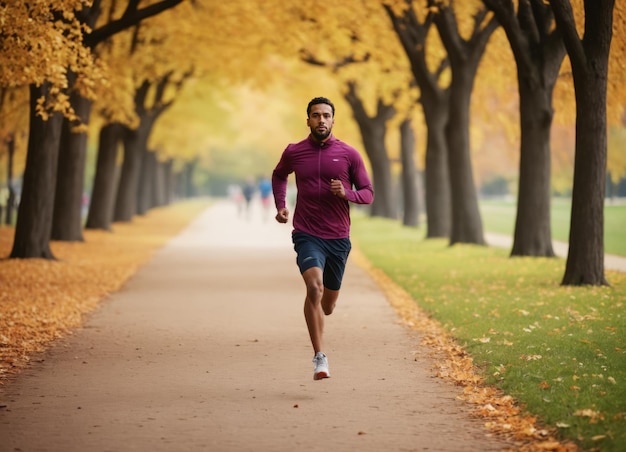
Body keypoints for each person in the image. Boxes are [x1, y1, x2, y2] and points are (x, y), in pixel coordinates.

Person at [272, 96, 374, 380]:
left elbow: (368, 192)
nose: (321, 120)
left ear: (332, 120)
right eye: (315, 115)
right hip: (306, 232)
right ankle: (320, 357)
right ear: (308, 120)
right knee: (313, 288)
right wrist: (281, 204)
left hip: (338, 237)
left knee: (328, 305)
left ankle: (324, 314)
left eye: (326, 115)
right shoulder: (295, 152)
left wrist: (347, 194)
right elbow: (279, 175)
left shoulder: (349, 154)